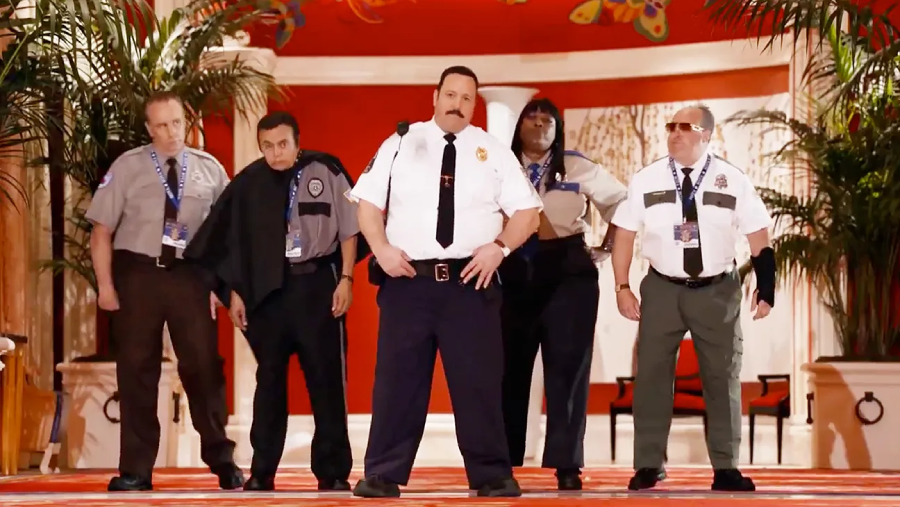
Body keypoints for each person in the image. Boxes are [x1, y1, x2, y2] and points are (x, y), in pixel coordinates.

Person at [347, 65, 542, 498]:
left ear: (474, 104)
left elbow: (529, 213)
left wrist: (500, 248)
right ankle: (382, 473)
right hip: (408, 282)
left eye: (467, 98)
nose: (458, 104)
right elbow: (367, 204)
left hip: (470, 284)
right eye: (450, 95)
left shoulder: (492, 150)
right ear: (435, 97)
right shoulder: (400, 142)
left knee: (479, 382)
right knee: (398, 382)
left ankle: (492, 474)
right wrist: (380, 249)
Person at [183, 111, 367, 491]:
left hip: (318, 286)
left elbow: (350, 229)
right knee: (268, 386)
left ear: (297, 142)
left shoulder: (327, 170)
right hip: (268, 294)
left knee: (327, 383)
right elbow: (229, 244)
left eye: (282, 144)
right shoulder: (248, 183)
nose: (275, 153)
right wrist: (234, 292)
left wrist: (346, 279)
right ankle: (262, 471)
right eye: (267, 146)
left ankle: (332, 472)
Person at [610, 104, 774, 492]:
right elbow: (624, 235)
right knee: (651, 377)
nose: (676, 133)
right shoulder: (647, 179)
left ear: (707, 135)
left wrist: (766, 288)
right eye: (671, 126)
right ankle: (648, 464)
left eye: (686, 127)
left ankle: (726, 467)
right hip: (662, 289)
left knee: (722, 376)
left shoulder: (732, 180)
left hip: (717, 291)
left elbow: (758, 236)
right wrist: (621, 287)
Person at [86, 90, 243, 492]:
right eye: (161, 125)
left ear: (186, 122)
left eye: (176, 123)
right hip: (138, 275)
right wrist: (105, 286)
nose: (171, 132)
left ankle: (222, 459)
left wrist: (224, 286)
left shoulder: (210, 169)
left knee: (203, 367)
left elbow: (229, 235)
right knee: (137, 370)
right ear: (148, 128)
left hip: (191, 276)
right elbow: (101, 231)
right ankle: (136, 470)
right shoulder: (127, 167)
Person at [499, 98, 627, 490]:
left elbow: (622, 202)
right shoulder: (500, 166)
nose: (540, 125)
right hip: (513, 267)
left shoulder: (577, 166)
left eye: (548, 121)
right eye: (532, 119)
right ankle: (503, 462)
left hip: (568, 271)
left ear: (558, 130)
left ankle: (567, 464)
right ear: (519, 126)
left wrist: (607, 247)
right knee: (507, 369)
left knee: (568, 370)